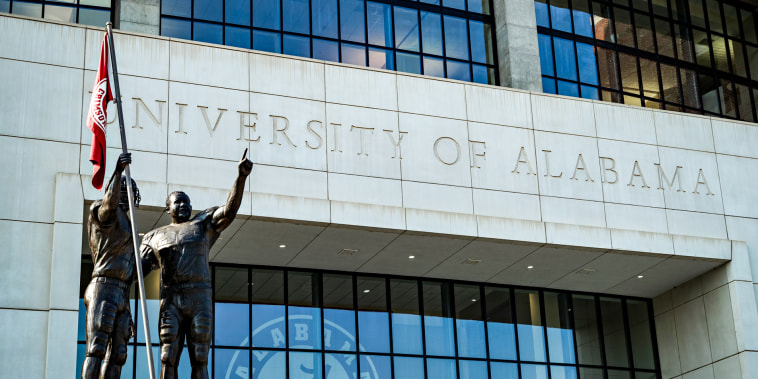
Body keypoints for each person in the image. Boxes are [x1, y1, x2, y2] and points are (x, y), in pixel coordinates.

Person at [140, 150, 253, 379]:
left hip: (199, 296)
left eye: (187, 202)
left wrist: (240, 178)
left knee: (200, 356)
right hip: (171, 297)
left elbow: (229, 211)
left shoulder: (202, 225)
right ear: (167, 208)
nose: (184, 205)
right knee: (167, 355)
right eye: (178, 202)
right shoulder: (154, 236)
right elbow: (135, 272)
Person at [82, 153, 140, 379]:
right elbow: (108, 205)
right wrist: (117, 172)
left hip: (121, 293)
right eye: (126, 189)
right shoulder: (104, 213)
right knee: (96, 349)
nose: (131, 194)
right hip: (103, 288)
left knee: (118, 354)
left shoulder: (130, 224)